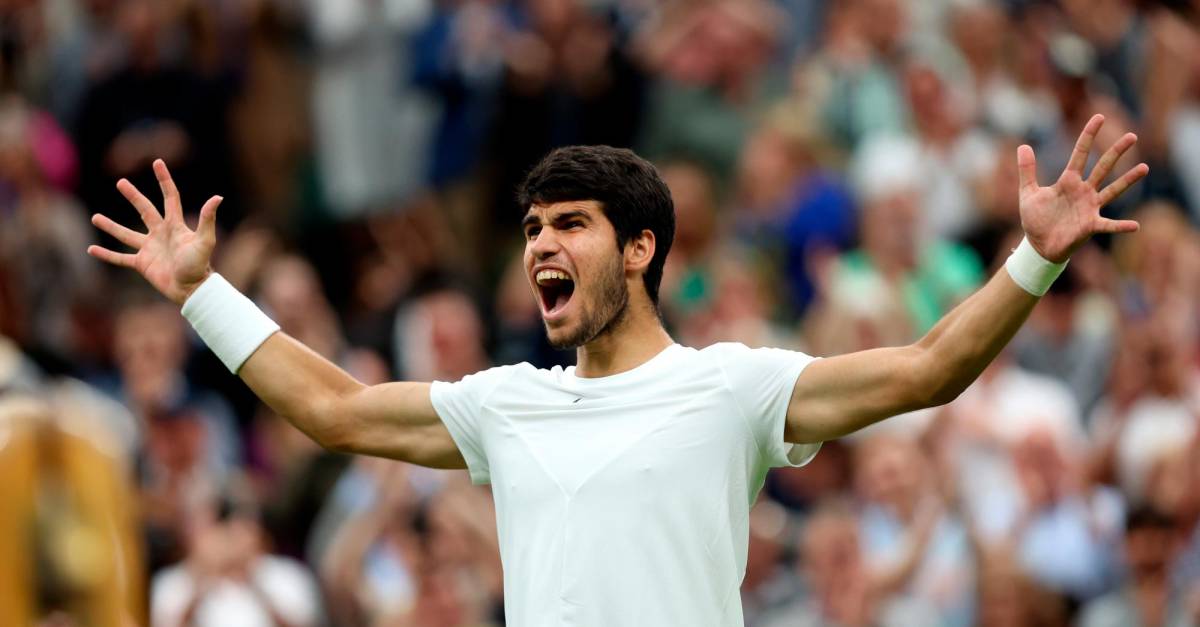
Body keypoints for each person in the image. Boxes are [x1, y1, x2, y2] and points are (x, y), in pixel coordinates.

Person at [87, 114, 1146, 627]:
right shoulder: (504, 405)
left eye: (574, 226)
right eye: (535, 228)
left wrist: (1039, 253)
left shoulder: (736, 387)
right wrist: (199, 293)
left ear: (641, 249)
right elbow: (332, 408)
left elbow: (927, 368)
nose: (543, 246)